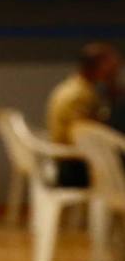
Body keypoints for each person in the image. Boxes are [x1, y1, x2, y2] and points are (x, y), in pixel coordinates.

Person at [46, 42, 120, 186]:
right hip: (73, 169)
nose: (116, 71)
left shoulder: (77, 87)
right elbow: (87, 138)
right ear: (100, 66)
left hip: (71, 162)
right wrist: (114, 90)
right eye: (113, 67)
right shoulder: (78, 96)